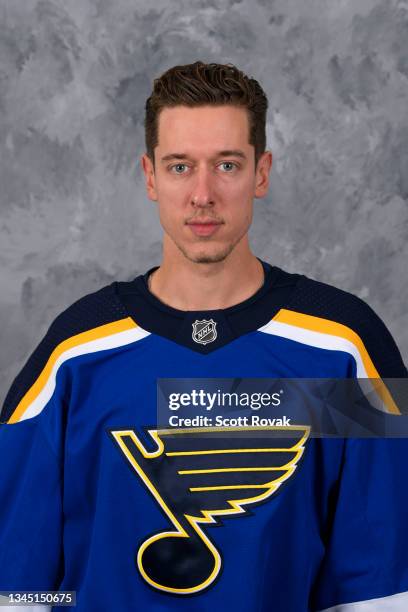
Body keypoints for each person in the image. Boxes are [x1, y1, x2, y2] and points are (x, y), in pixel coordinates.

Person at [0, 60, 407, 612]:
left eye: (227, 164)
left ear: (261, 173)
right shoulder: (74, 354)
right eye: (179, 166)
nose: (203, 194)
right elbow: (17, 586)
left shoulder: (343, 346)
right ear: (149, 176)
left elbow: (381, 589)